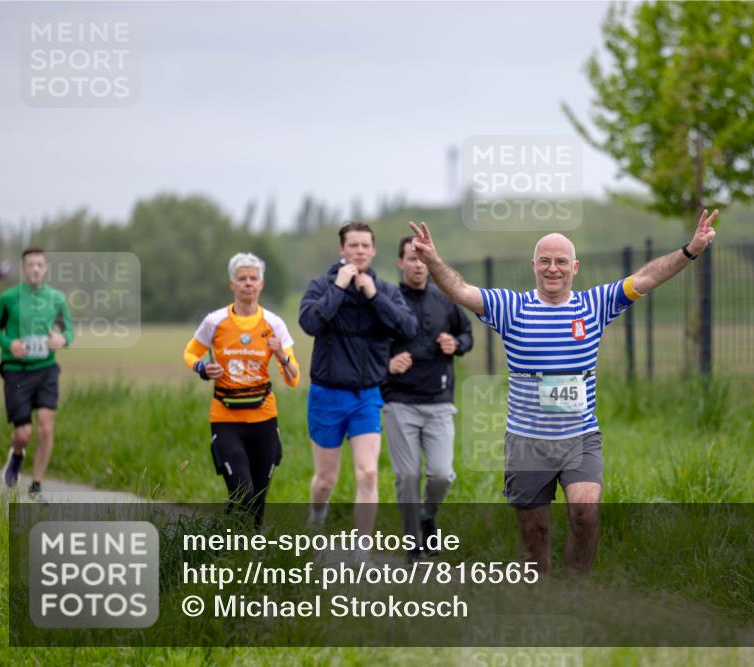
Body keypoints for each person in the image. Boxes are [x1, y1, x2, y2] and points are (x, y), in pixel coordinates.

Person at [408, 210, 719, 575]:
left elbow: (648, 277)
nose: (552, 268)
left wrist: (690, 250)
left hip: (580, 438)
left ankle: (575, 592)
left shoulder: (594, 305)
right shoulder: (511, 307)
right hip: (527, 440)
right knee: (534, 531)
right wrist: (432, 260)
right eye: (545, 261)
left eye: (559, 262)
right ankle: (541, 595)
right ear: (533, 266)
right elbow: (460, 290)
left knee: (585, 513)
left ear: (574, 267)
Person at [299, 222, 417, 544]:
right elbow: (309, 323)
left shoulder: (387, 291)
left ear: (374, 250)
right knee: (326, 480)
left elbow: (408, 328)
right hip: (327, 394)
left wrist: (374, 295)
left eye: (366, 245)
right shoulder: (321, 286)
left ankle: (361, 551)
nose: (360, 251)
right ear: (342, 249)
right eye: (353, 246)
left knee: (368, 473)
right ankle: (317, 516)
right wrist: (338, 288)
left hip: (366, 395)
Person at [183, 253, 299, 528]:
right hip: (226, 419)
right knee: (242, 490)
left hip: (264, 419)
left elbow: (293, 378)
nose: (248, 283)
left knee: (257, 498)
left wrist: (281, 354)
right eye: (242, 279)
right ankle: (223, 542)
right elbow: (190, 353)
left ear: (262, 284)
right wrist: (202, 368)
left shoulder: (274, 324)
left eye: (253, 278)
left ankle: (244, 555)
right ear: (232, 284)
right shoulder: (215, 321)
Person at [383, 236, 473, 563]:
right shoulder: (386, 301)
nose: (418, 264)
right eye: (412, 257)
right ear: (400, 262)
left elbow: (467, 336)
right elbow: (369, 349)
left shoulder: (445, 300)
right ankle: (414, 544)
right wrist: (387, 365)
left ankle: (426, 515)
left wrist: (457, 344)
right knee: (407, 476)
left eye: (423, 258)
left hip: (439, 400)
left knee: (442, 474)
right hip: (399, 401)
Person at [0, 246, 74, 501]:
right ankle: (17, 456)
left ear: (46, 268)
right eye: (30, 265)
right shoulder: (9, 298)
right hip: (17, 372)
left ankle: (36, 486)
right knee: (23, 433)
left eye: (40, 264)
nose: (35, 269)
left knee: (46, 426)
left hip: (46, 368)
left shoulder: (56, 299)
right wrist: (10, 345)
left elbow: (68, 331)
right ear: (23, 269)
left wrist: (63, 340)